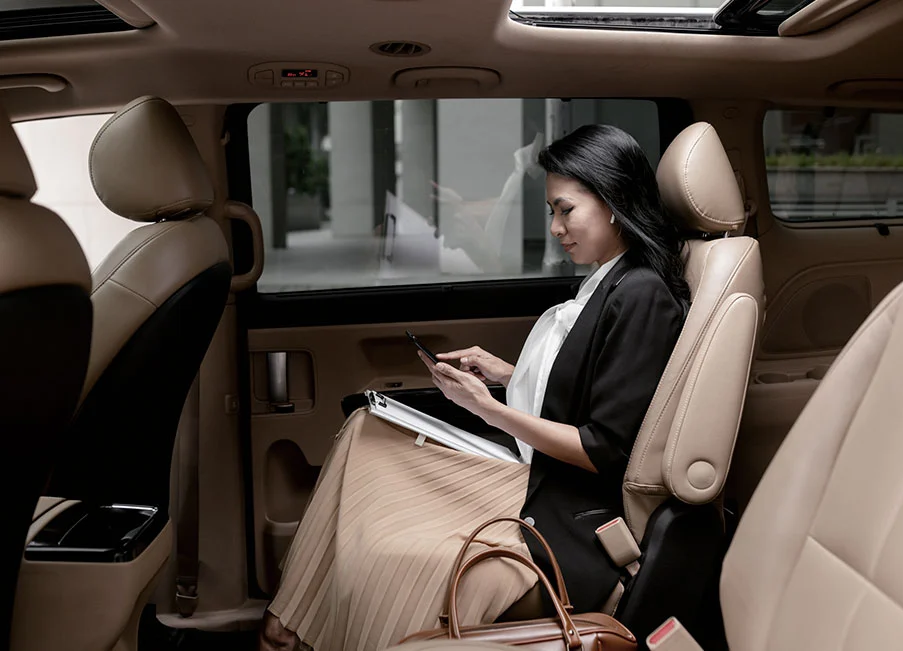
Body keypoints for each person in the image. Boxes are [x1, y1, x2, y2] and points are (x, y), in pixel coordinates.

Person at [259, 124, 690, 651]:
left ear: (614, 202)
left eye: (565, 210)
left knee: (368, 442)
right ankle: (290, 627)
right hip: (538, 469)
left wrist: (490, 410)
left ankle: (288, 634)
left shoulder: (641, 293)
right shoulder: (613, 278)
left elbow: (603, 448)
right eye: (552, 211)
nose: (555, 227)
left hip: (562, 501)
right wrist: (508, 375)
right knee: (367, 429)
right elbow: (592, 384)